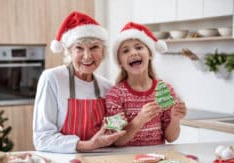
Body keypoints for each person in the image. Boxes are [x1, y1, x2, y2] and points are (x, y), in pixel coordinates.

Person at [33, 11, 125, 153]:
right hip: (62, 161)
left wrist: (116, 126)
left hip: (100, 160)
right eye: (79, 48)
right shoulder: (52, 79)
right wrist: (88, 145)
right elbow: (42, 138)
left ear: (103, 51)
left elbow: (111, 132)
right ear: (69, 52)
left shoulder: (107, 87)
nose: (87, 56)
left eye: (94, 47)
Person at [106, 22, 187, 146]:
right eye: (125, 50)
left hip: (157, 160)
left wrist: (175, 119)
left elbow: (171, 138)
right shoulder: (115, 95)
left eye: (138, 47)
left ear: (149, 54)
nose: (133, 53)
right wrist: (139, 120)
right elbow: (116, 140)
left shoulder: (165, 90)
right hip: (127, 161)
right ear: (120, 62)